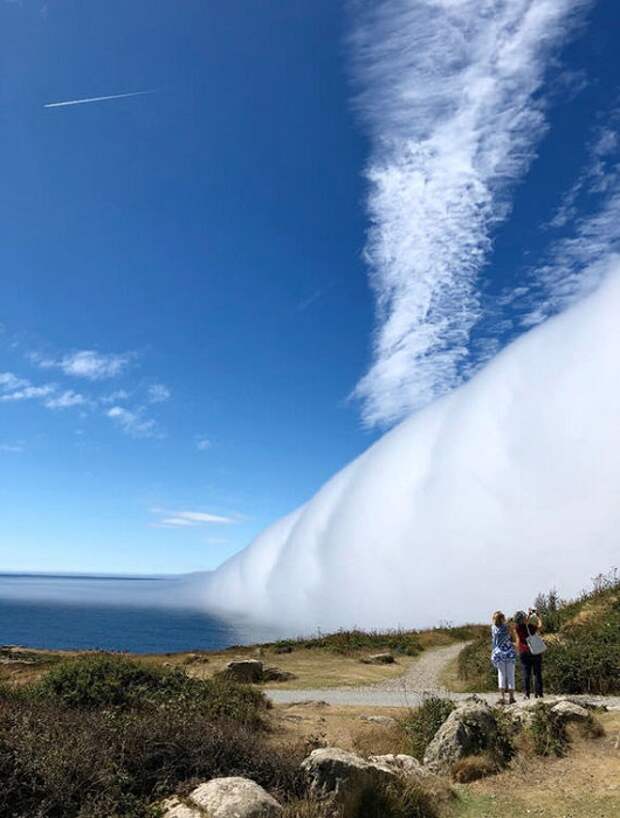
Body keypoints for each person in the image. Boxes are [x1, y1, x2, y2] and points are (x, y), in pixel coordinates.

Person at [514, 608, 544, 698]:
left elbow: (517, 639)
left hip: (523, 651)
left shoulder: (517, 628)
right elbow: (540, 627)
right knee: (537, 673)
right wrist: (538, 617)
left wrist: (528, 615)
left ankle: (526, 694)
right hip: (534, 651)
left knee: (526, 673)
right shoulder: (530, 627)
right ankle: (538, 693)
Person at [491, 610, 517, 705]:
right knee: (511, 675)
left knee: (501, 675)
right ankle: (511, 697)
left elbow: (494, 642)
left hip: (499, 653)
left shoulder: (493, 628)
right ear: (502, 618)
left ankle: (502, 697)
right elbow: (513, 637)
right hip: (509, 653)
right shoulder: (507, 627)